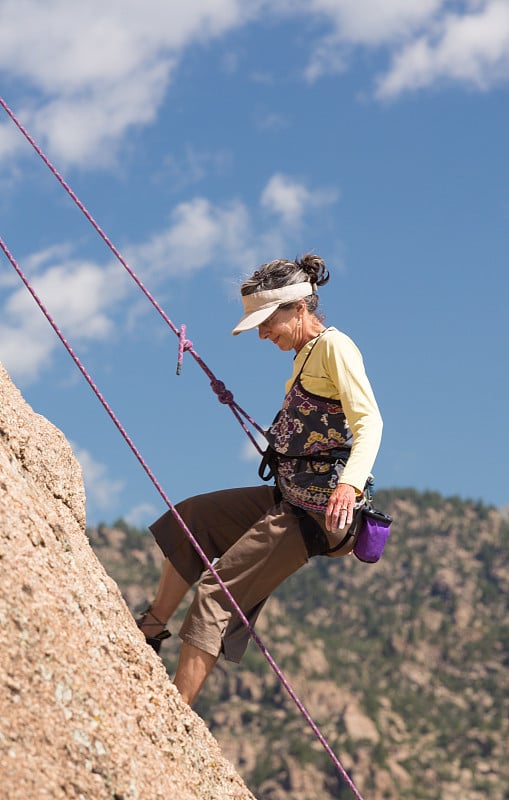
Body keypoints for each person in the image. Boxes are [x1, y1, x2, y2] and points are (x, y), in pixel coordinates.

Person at [137, 254, 383, 706]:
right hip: (290, 496)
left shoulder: (334, 347)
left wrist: (348, 485)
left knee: (217, 593)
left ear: (300, 308)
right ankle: (151, 626)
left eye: (268, 322)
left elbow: (370, 422)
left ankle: (173, 713)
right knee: (192, 519)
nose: (264, 333)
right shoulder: (305, 355)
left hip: (318, 513)